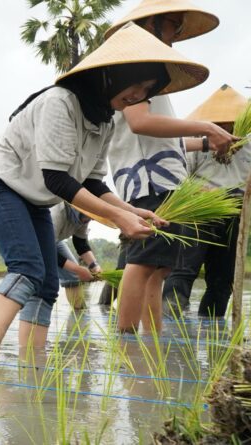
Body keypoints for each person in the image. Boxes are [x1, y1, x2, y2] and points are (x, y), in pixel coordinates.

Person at [0, 22, 209, 356]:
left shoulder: (106, 120)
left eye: (147, 90)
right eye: (135, 85)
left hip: (34, 200)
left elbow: (93, 182)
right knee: (27, 270)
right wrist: (116, 218)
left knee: (48, 284)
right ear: (111, 75)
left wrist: (130, 210)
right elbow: (58, 179)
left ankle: (32, 365)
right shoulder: (60, 102)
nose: (138, 95)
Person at [103, 0, 238, 333]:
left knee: (159, 268)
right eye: (172, 26)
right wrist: (204, 127)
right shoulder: (137, 67)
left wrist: (206, 142)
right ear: (151, 25)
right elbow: (139, 122)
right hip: (148, 181)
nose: (175, 34)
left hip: (162, 179)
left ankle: (153, 342)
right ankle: (128, 344)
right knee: (143, 262)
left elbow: (167, 141)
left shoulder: (150, 72)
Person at [163, 84, 251, 318]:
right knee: (183, 272)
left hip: (235, 216)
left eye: (229, 123)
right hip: (198, 213)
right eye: (218, 124)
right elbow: (179, 178)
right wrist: (201, 191)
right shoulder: (197, 144)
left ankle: (212, 337)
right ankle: (168, 336)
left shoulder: (249, 146)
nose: (224, 128)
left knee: (223, 281)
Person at [50, 203, 102, 310]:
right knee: (39, 280)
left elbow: (80, 243)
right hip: (34, 239)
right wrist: (78, 270)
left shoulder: (84, 216)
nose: (92, 219)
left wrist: (94, 266)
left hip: (53, 241)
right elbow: (48, 250)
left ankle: (79, 315)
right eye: (91, 216)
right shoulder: (56, 214)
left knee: (73, 275)